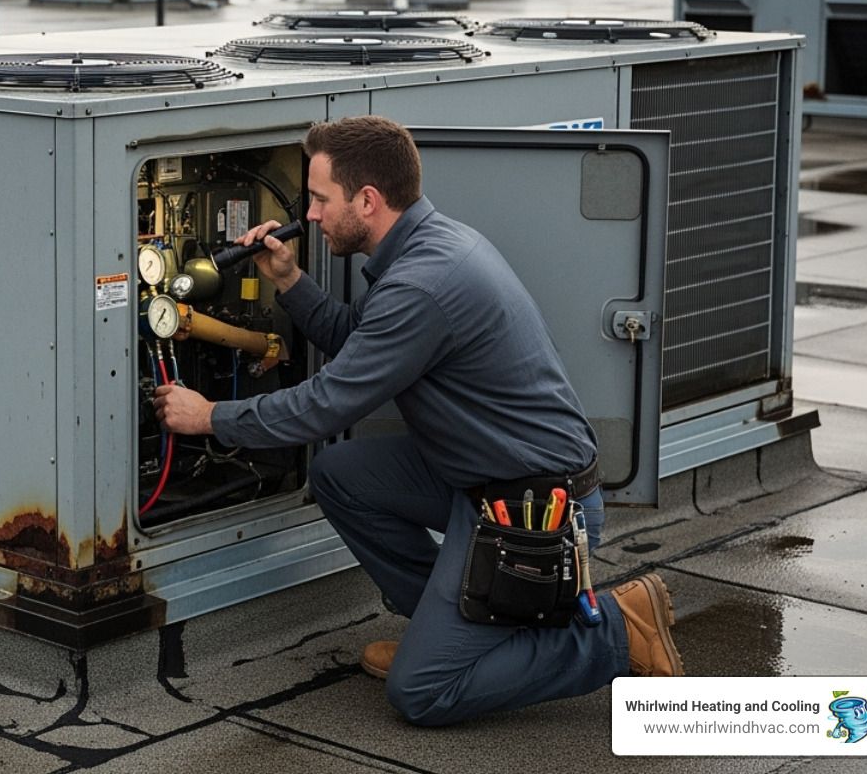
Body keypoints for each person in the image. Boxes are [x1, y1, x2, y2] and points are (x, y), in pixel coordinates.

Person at [153, 115, 682, 727]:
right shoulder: (427, 246)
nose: (314, 215)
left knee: (422, 694)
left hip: (536, 504)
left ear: (368, 200)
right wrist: (290, 281)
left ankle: (617, 631)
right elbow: (362, 341)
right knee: (340, 474)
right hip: (482, 476)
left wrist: (212, 416)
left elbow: (327, 401)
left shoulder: (424, 283)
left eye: (322, 199)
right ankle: (452, 627)